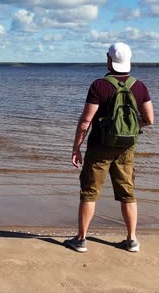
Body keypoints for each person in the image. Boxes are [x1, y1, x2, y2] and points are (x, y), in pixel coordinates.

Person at [65, 42, 154, 253]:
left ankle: (81, 239)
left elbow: (86, 121)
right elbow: (149, 119)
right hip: (126, 148)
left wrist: (76, 147)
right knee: (127, 193)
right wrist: (129, 128)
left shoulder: (99, 86)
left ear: (109, 60)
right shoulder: (139, 86)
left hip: (99, 147)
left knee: (89, 193)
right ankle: (132, 240)